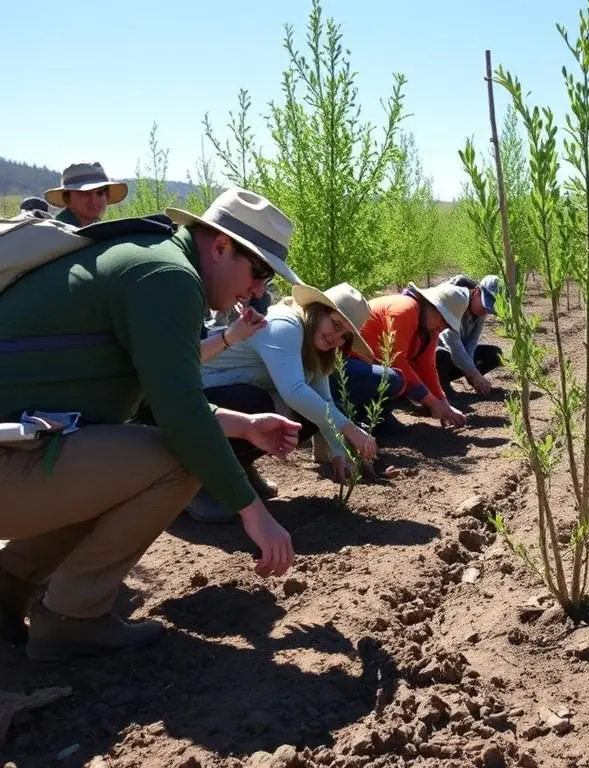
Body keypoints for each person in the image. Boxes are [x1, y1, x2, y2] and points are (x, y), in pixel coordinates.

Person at [0, 188, 300, 660]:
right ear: (221, 247)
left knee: (141, 456)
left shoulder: (150, 258)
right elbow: (179, 415)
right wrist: (252, 511)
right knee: (178, 460)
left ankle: (7, 589)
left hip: (18, 455)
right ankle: (71, 619)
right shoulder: (167, 276)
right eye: (259, 270)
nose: (259, 289)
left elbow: (150, 404)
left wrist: (243, 425)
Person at [189, 283, 380, 522]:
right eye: (335, 324)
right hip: (195, 395)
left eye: (345, 336)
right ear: (318, 312)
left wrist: (337, 450)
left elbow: (324, 401)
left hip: (229, 397)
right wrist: (350, 430)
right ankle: (198, 483)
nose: (336, 338)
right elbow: (294, 392)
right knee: (256, 404)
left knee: (306, 417)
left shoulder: (317, 350)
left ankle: (240, 467)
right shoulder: (285, 325)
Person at [361, 282, 471, 429]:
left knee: (399, 379)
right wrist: (432, 402)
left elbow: (426, 367)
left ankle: (380, 413)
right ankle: (362, 414)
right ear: (431, 305)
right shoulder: (405, 310)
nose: (443, 326)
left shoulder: (429, 328)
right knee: (395, 378)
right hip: (349, 367)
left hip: (371, 368)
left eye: (448, 324)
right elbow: (396, 361)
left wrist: (444, 405)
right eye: (443, 318)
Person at [435, 274, 503, 397]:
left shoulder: (481, 313)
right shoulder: (453, 302)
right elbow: (451, 342)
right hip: (433, 355)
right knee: (441, 355)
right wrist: (474, 373)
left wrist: (471, 373)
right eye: (484, 306)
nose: (485, 312)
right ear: (476, 292)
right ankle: (440, 388)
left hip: (456, 354)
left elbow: (473, 339)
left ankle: (473, 382)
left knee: (494, 355)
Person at [44, 162, 128, 227]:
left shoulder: (99, 232)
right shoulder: (57, 233)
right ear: (67, 197)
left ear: (107, 196)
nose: (93, 200)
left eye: (100, 193)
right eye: (84, 193)